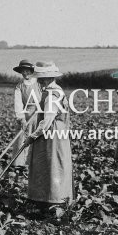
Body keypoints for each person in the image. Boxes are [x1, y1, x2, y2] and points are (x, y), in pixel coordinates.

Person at [22, 61, 73, 206]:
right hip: (58, 133)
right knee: (54, 164)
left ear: (48, 78)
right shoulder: (56, 90)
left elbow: (48, 120)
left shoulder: (52, 95)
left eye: (40, 78)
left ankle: (51, 201)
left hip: (51, 135)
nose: (38, 81)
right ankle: (53, 199)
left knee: (50, 165)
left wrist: (32, 136)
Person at [12, 60, 41, 170]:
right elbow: (18, 103)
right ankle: (21, 164)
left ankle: (36, 162)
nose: (25, 73)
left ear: (31, 71)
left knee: (37, 136)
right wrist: (21, 118)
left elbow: (44, 95)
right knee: (23, 138)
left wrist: (42, 106)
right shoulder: (19, 86)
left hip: (39, 113)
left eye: (27, 70)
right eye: (23, 71)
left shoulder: (38, 82)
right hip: (26, 114)